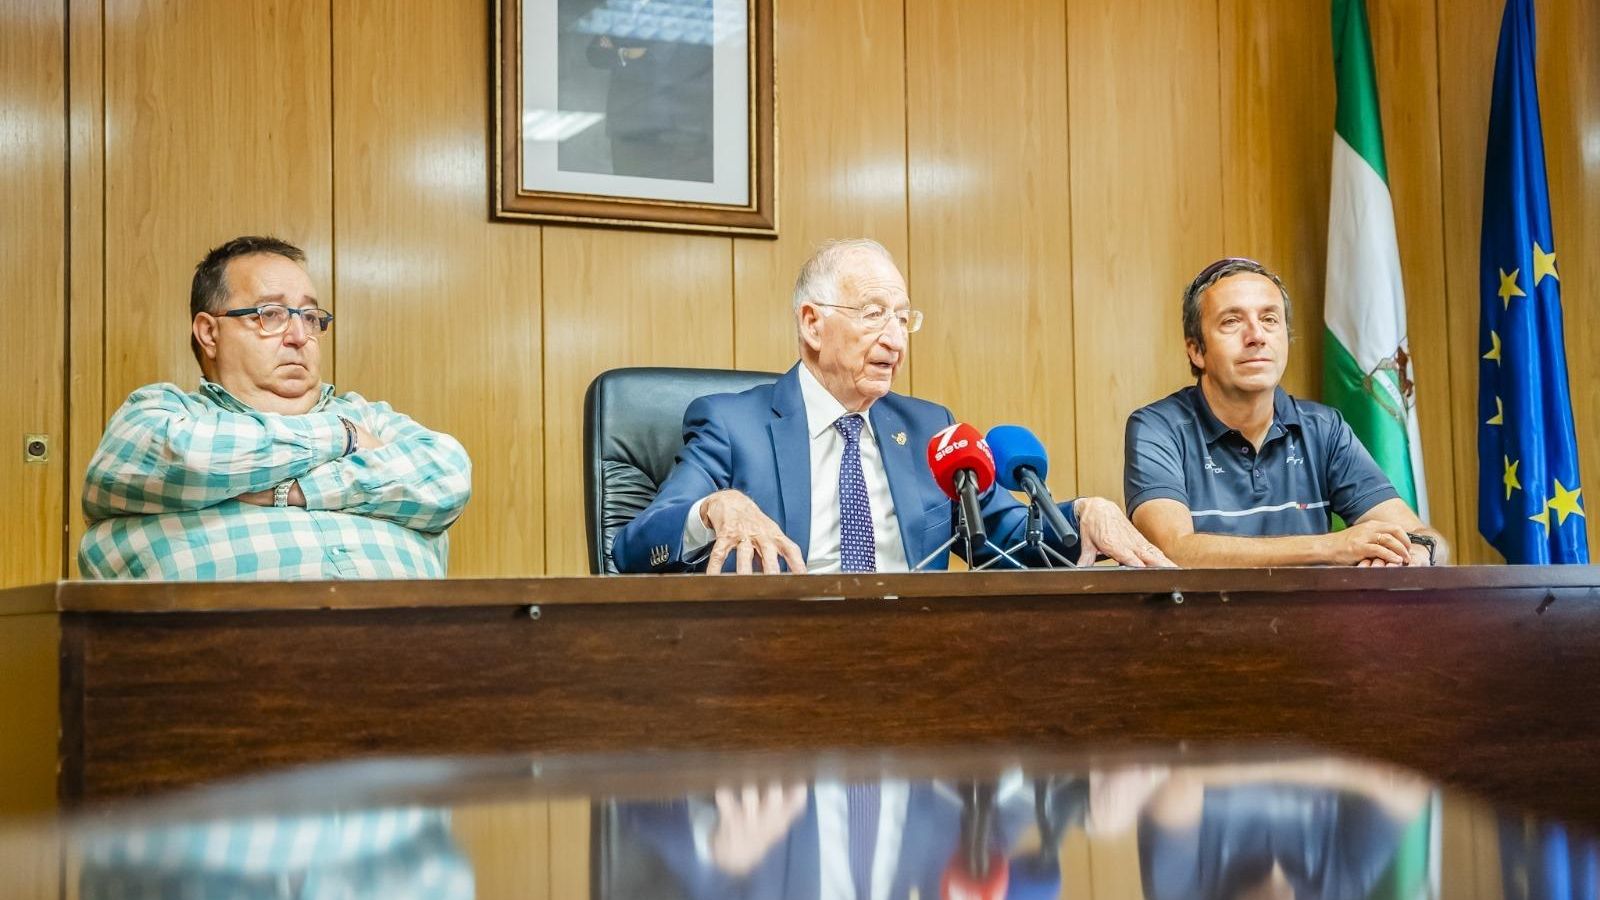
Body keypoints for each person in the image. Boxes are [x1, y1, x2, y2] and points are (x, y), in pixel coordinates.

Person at [612, 238, 1170, 574]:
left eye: (904, 318)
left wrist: (1081, 513)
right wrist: (714, 508)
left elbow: (1010, 537)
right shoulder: (733, 425)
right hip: (782, 669)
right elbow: (634, 548)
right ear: (813, 323)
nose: (895, 339)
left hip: (916, 667)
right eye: (873, 313)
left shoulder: (930, 430)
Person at [78, 236, 471, 580]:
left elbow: (447, 476)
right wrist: (341, 437)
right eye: (271, 314)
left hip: (410, 652)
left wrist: (292, 491)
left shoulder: (370, 415)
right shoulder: (163, 413)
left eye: (311, 317)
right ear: (209, 333)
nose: (300, 336)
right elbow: (185, 458)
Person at [1123, 257, 1447, 568]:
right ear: (1196, 350)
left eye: (1269, 319)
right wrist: (1332, 546)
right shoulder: (1157, 428)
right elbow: (1174, 550)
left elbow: (1429, 539)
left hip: (1312, 623)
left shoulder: (1323, 428)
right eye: (1232, 321)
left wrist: (1417, 551)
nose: (1256, 336)